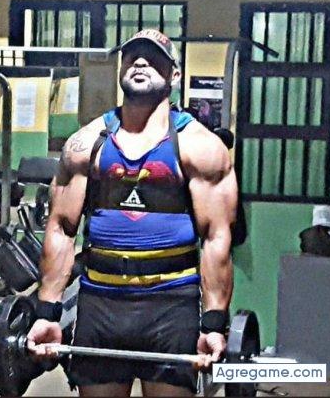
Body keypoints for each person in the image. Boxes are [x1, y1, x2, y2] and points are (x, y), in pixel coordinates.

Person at [27, 29, 238, 397]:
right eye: (132, 57)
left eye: (153, 58)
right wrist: (47, 313)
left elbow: (216, 237)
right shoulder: (85, 144)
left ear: (174, 75)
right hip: (101, 302)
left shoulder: (201, 147)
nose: (140, 62)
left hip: (171, 305)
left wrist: (214, 323)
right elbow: (61, 229)